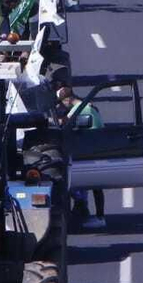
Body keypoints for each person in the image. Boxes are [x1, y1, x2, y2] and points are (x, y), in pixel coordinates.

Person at [54, 84, 107, 229]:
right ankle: (97, 215)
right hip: (97, 150)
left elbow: (65, 126)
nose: (62, 106)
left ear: (67, 99)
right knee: (96, 186)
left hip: (88, 152)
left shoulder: (78, 110)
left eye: (62, 102)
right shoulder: (91, 107)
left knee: (77, 182)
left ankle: (95, 214)